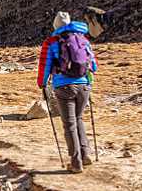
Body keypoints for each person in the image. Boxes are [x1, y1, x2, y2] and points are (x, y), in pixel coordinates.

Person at [37, 12, 98, 173]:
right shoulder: (83, 39)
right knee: (78, 118)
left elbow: (44, 65)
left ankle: (76, 163)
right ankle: (86, 154)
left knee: (69, 124)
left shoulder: (51, 42)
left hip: (64, 87)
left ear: (56, 26)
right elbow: (94, 65)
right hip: (84, 85)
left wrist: (42, 84)